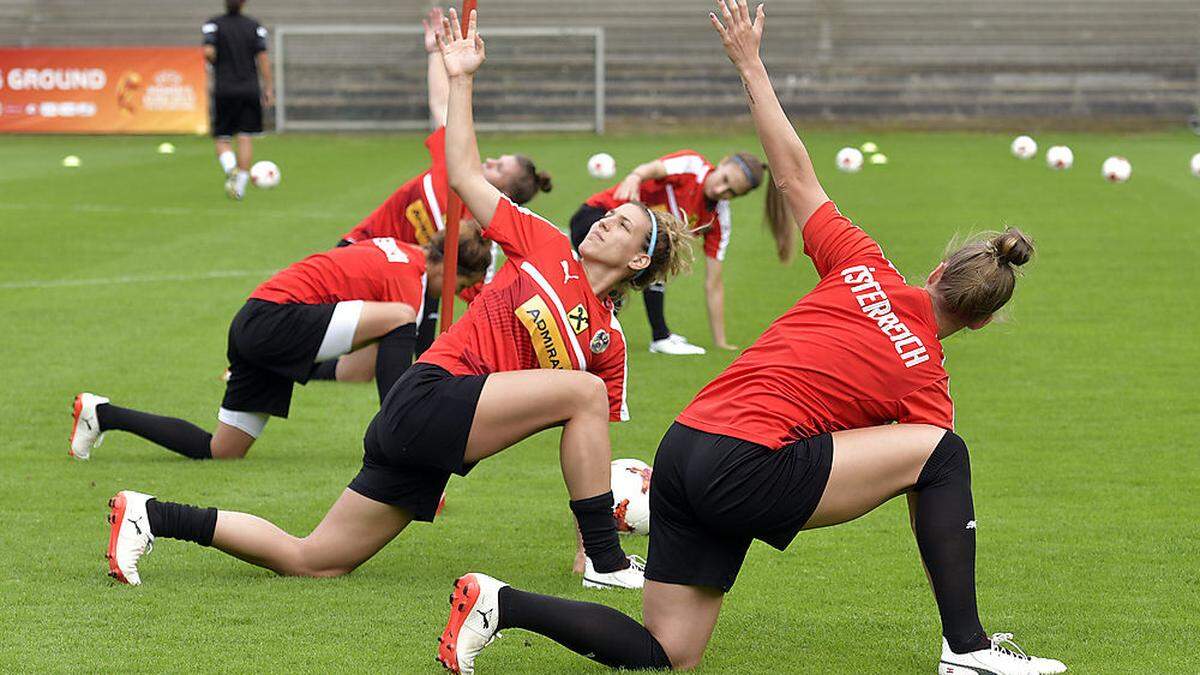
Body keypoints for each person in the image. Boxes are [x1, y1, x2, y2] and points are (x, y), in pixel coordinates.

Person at [433, 3, 1067, 675]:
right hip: (743, 466)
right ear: (980, 321)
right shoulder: (927, 382)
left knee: (669, 652)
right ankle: (967, 650)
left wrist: (750, 63)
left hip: (683, 449)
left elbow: (792, 174)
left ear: (937, 271)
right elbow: (926, 485)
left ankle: (498, 603)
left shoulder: (863, 263)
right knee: (944, 453)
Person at [99, 11, 692, 594]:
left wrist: (583, 544)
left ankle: (152, 516)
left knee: (314, 561)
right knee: (580, 393)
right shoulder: (542, 243)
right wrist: (460, 78)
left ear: (639, 261)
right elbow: (461, 172)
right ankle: (611, 562)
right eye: (610, 215)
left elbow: (589, 448)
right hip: (428, 395)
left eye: (621, 226)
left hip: (435, 444)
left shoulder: (608, 346)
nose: (605, 223)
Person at [70, 231, 491, 462]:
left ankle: (101, 413)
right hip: (272, 319)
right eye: (461, 286)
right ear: (451, 267)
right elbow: (407, 339)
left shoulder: (404, 252)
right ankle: (400, 436)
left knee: (222, 450)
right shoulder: (408, 282)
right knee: (399, 316)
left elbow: (366, 367)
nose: (453, 295)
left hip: (259, 327)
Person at [313, 7, 553, 378]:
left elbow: (486, 300)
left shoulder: (476, 244)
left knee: (397, 365)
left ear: (503, 191)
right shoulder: (453, 168)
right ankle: (276, 360)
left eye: (497, 167)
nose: (486, 160)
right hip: (362, 253)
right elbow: (442, 106)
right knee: (310, 322)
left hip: (415, 282)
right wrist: (433, 55)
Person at [570, 147, 788, 354]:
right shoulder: (693, 166)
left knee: (648, 265)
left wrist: (720, 342)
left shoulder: (718, 218)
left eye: (731, 192)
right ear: (722, 163)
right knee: (633, 270)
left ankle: (605, 333)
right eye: (725, 180)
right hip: (596, 217)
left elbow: (714, 281)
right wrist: (635, 176)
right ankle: (655, 336)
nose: (721, 190)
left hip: (630, 246)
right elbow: (654, 169)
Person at [203, 0, 273, 201]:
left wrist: (215, 60)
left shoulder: (214, 24)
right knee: (245, 136)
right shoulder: (254, 26)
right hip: (249, 88)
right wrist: (268, 87)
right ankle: (239, 188)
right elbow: (263, 58)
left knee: (222, 137)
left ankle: (230, 167)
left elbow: (208, 52)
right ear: (243, 4)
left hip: (225, 88)